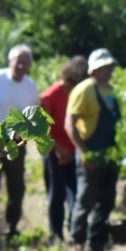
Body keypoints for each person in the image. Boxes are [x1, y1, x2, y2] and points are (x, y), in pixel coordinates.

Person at [0, 44, 41, 246]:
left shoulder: (31, 87)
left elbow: (33, 117)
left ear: (30, 65)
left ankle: (11, 228)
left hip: (16, 143)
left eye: (25, 63)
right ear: (9, 62)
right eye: (18, 61)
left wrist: (25, 138)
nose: (21, 66)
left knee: (17, 187)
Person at [68, 48, 122, 251]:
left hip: (110, 153)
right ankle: (77, 240)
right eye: (106, 67)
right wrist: (84, 152)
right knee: (86, 198)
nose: (110, 71)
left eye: (111, 67)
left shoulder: (113, 91)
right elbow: (70, 124)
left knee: (107, 198)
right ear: (96, 69)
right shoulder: (84, 90)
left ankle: (97, 241)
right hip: (90, 150)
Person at [39, 55, 88, 240]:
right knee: (57, 194)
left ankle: (75, 230)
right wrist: (58, 149)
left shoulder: (81, 95)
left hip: (74, 151)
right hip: (55, 152)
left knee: (77, 192)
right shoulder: (50, 96)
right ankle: (56, 234)